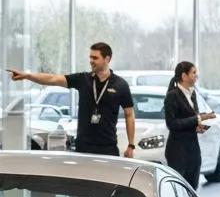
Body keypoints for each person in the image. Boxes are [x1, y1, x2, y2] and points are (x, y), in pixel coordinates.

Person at [8, 42, 136, 157]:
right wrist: (28, 75)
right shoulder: (83, 79)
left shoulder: (120, 85)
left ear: (107, 59)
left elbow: (129, 114)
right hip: (83, 148)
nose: (91, 61)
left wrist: (131, 145)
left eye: (95, 58)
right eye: (90, 57)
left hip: (108, 148)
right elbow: (53, 79)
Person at [163, 61, 216, 188]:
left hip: (193, 149)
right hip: (178, 151)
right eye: (193, 73)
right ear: (184, 76)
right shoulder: (172, 96)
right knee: (179, 190)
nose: (196, 76)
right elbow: (172, 124)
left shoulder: (192, 94)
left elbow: (188, 119)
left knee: (193, 189)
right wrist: (198, 118)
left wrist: (197, 126)